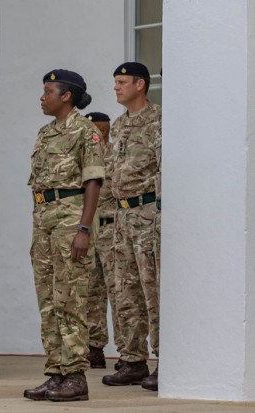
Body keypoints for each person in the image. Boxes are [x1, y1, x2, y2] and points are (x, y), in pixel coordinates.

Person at [23, 69, 104, 402]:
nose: (43, 97)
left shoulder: (85, 132)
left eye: (48, 91)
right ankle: (56, 372)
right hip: (44, 219)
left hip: (71, 219)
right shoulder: (45, 133)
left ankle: (75, 375)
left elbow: (93, 182)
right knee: (48, 300)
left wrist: (84, 229)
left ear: (66, 95)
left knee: (70, 297)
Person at [101, 62, 161, 391]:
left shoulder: (159, 121)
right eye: (115, 82)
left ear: (140, 84)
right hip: (122, 217)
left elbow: (165, 169)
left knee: (153, 291)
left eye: (122, 82)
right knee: (125, 290)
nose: (116, 87)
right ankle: (133, 360)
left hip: (148, 213)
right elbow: (111, 173)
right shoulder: (121, 124)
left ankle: (165, 360)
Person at [83, 112, 124, 370]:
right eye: (97, 132)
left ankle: (128, 353)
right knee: (90, 293)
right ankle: (93, 348)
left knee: (120, 293)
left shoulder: (117, 156)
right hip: (87, 233)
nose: (102, 137)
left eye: (105, 132)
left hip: (112, 232)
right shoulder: (81, 157)